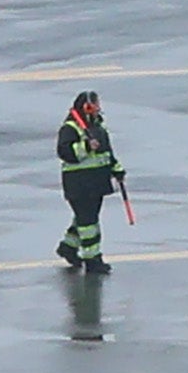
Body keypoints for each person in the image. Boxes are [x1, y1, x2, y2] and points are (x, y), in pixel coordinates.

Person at [55, 92, 125, 265]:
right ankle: (92, 258)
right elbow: (64, 152)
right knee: (88, 222)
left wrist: (117, 170)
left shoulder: (98, 128)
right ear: (87, 107)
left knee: (84, 217)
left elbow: (106, 153)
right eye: (96, 104)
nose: (99, 108)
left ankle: (68, 247)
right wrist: (85, 146)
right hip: (79, 185)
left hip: (95, 183)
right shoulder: (70, 128)